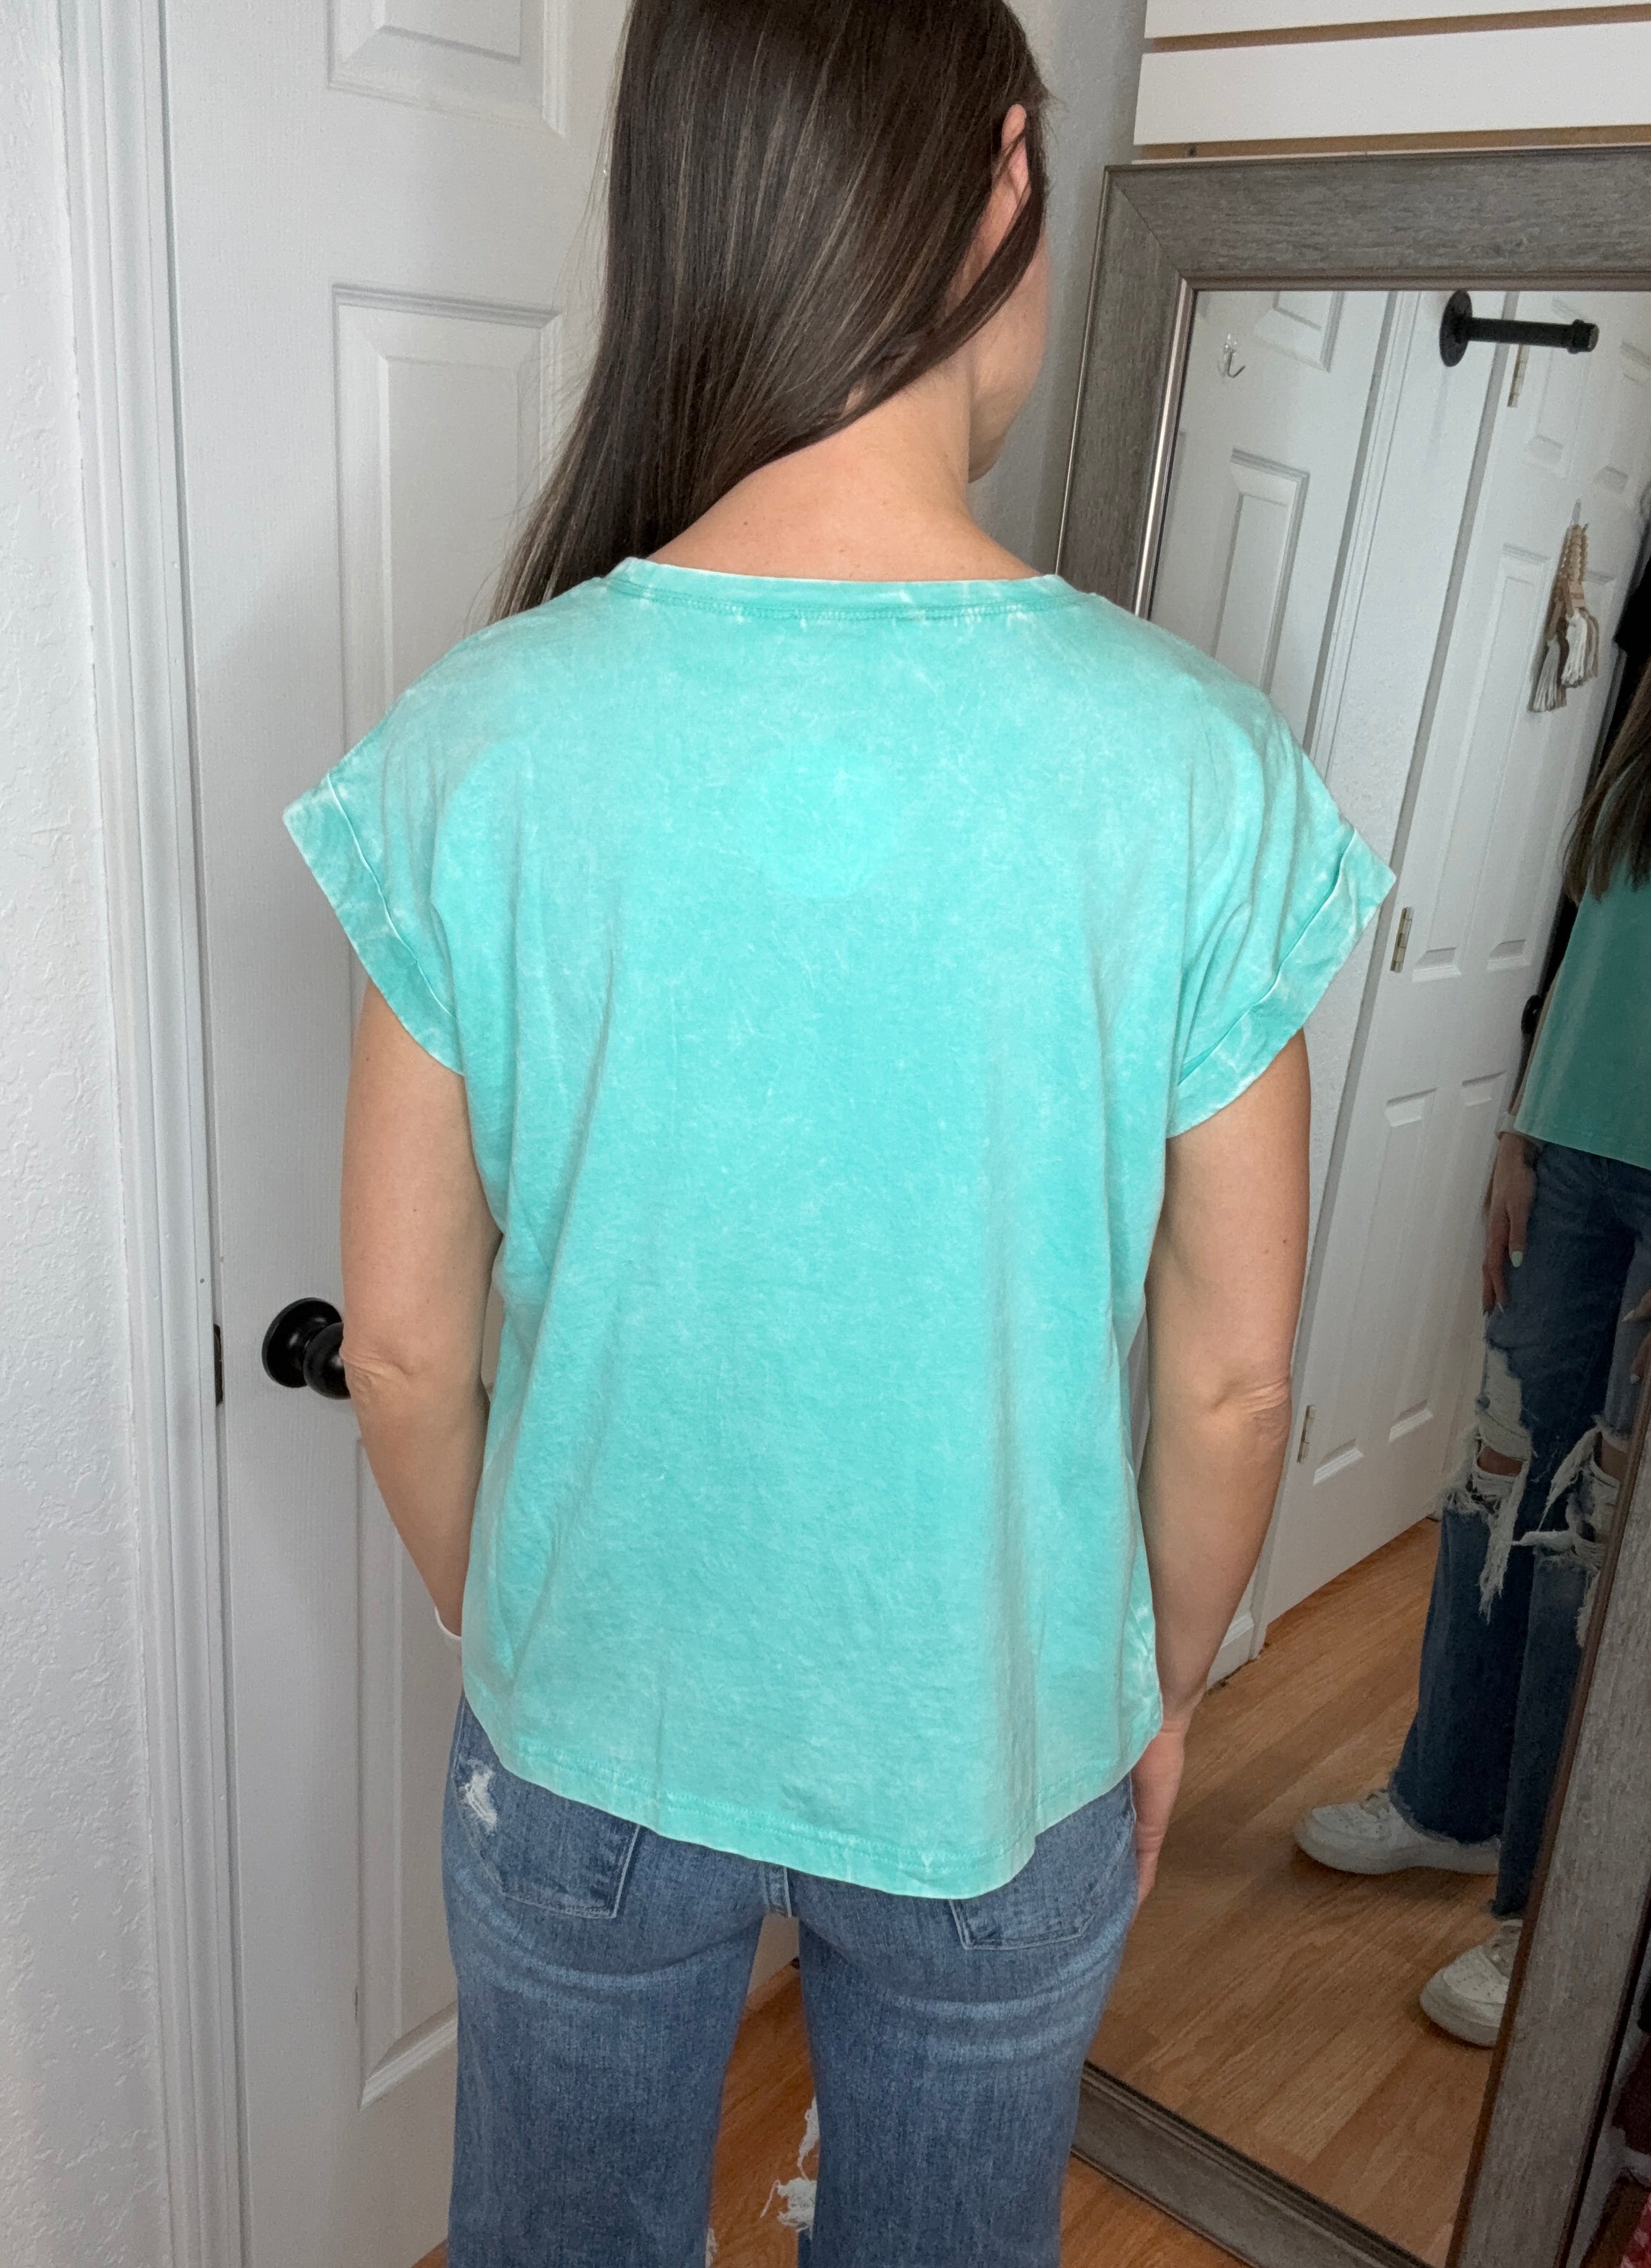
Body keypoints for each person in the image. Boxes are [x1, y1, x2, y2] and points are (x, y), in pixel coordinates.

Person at [283, 3, 1392, 2259]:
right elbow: (1230, 1379)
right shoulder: (1193, 770)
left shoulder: (476, 742)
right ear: (1005, 176)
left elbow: (398, 1348)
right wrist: (1155, 1692)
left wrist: (531, 1643)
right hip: (1003, 1743)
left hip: (588, 1730)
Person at [1296, 660, 1651, 2051]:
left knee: (1594, 1551)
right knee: (1494, 1486)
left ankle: (1544, 1922)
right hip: (1573, 1143)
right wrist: (1520, 1117)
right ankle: (1450, 1802)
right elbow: (1588, 922)